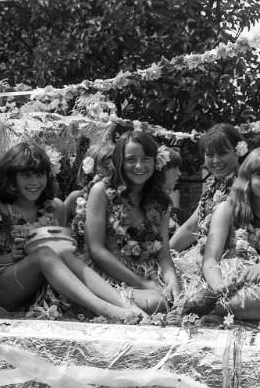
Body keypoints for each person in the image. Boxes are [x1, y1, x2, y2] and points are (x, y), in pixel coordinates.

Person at [0, 141, 144, 320]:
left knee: (65, 254)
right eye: (26, 175)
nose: (34, 182)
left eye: (39, 175)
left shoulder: (57, 207)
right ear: (11, 178)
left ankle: (126, 305)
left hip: (43, 290)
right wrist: (10, 258)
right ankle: (104, 309)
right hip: (3, 289)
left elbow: (62, 256)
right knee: (44, 254)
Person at [85, 131, 181, 313]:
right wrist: (142, 284)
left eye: (146, 159)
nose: (139, 166)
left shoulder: (161, 202)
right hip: (110, 278)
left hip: (151, 277)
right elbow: (96, 250)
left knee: (182, 300)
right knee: (156, 304)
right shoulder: (101, 192)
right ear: (119, 162)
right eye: (130, 159)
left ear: (156, 162)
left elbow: (164, 255)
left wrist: (174, 284)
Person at [199, 146, 260, 319]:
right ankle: (216, 307)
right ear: (247, 179)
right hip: (229, 282)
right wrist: (219, 287)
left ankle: (217, 313)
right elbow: (210, 260)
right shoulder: (227, 209)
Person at [170, 124, 246, 252]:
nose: (215, 161)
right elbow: (191, 228)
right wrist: (164, 257)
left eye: (222, 153)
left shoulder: (248, 185)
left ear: (238, 151)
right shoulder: (214, 187)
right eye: (210, 155)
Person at [66, 140, 114, 244]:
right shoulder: (75, 197)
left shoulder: (118, 201)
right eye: (106, 166)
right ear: (90, 168)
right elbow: (58, 228)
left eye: (115, 168)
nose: (111, 173)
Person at [156, 145, 184, 235]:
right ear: (161, 170)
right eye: (175, 167)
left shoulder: (165, 201)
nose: (179, 173)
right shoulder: (152, 205)